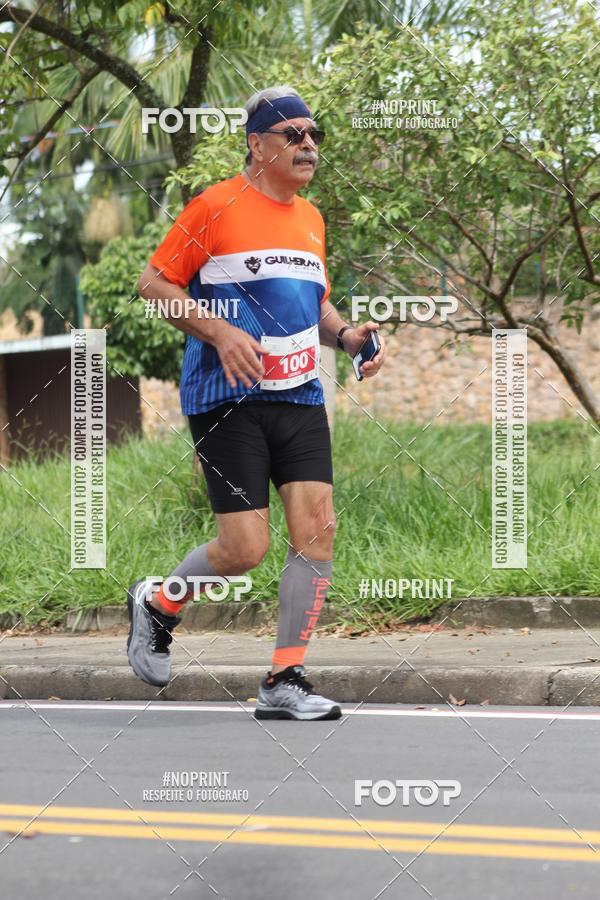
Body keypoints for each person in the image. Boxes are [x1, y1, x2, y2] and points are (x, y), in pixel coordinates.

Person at [127, 85, 385, 720]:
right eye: (294, 134)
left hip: (299, 394)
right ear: (256, 143)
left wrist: (348, 337)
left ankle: (284, 678)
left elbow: (314, 303)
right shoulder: (214, 206)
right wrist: (219, 331)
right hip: (226, 397)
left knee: (317, 528)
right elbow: (153, 283)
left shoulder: (311, 219)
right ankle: (159, 603)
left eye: (315, 135)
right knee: (244, 549)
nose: (309, 145)